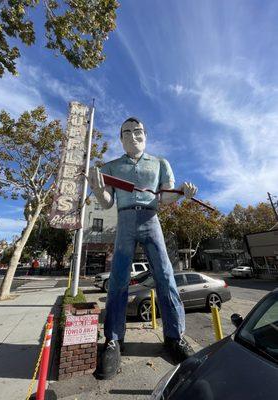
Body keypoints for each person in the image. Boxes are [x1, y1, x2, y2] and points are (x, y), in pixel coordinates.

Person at [89, 117, 198, 379]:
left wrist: (183, 193)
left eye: (137, 132)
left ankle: (175, 336)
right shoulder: (111, 166)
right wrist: (96, 187)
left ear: (145, 135)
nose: (132, 136)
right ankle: (113, 340)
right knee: (117, 280)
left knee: (166, 276)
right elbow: (106, 203)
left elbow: (165, 197)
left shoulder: (160, 163)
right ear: (120, 138)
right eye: (126, 132)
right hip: (125, 218)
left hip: (151, 219)